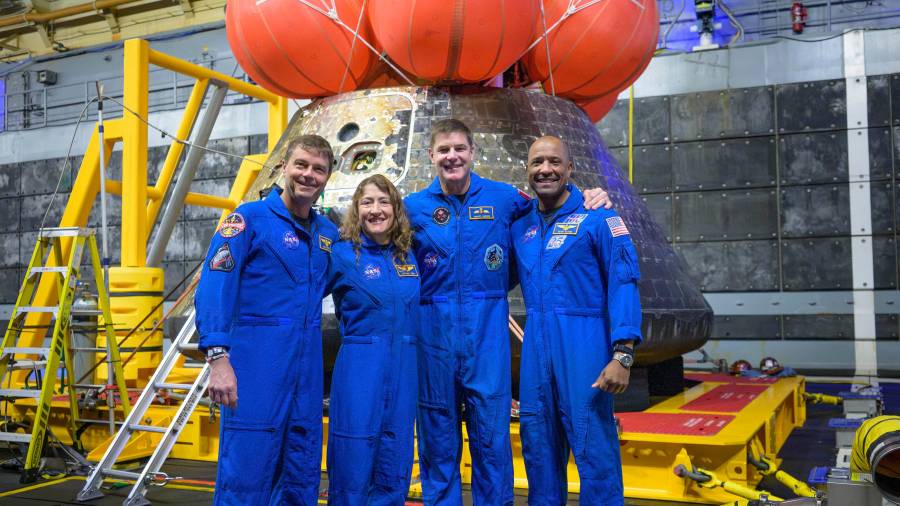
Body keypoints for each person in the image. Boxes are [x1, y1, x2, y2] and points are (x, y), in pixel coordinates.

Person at [403, 119, 612, 505]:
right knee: (437, 440)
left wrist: (591, 195)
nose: (452, 157)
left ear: (472, 152)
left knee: (491, 441)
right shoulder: (412, 209)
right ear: (431, 155)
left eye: (460, 149)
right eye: (444, 150)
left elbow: (552, 204)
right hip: (433, 337)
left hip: (487, 337)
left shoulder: (504, 199)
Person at [195, 135, 339, 505]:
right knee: (247, 472)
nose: (308, 175)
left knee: (300, 471)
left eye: (318, 169)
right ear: (283, 167)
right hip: (256, 367)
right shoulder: (248, 219)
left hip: (306, 373)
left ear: (327, 177)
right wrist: (217, 358)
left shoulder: (327, 234)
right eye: (301, 165)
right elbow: (215, 286)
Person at [510, 136, 642, 505]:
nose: (545, 169)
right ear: (527, 170)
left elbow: (624, 283)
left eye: (554, 162)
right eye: (537, 162)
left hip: (585, 348)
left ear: (570, 168)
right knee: (538, 450)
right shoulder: (520, 226)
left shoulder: (599, 217)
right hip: (536, 352)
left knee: (594, 449)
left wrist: (623, 354)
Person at [325, 174, 419, 505]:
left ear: (396, 209)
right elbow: (299, 294)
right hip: (360, 368)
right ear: (356, 209)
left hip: (405, 370)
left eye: (383, 202)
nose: (375, 210)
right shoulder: (341, 254)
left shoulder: (408, 255)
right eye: (367, 202)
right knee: (353, 458)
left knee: (395, 459)